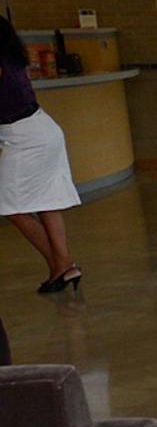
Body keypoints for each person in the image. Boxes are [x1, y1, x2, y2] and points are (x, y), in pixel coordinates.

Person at [0, 17, 83, 293]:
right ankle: (64, 268)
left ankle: (63, 264)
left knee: (12, 206)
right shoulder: (14, 59)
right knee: (46, 201)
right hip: (40, 130)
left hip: (26, 137)